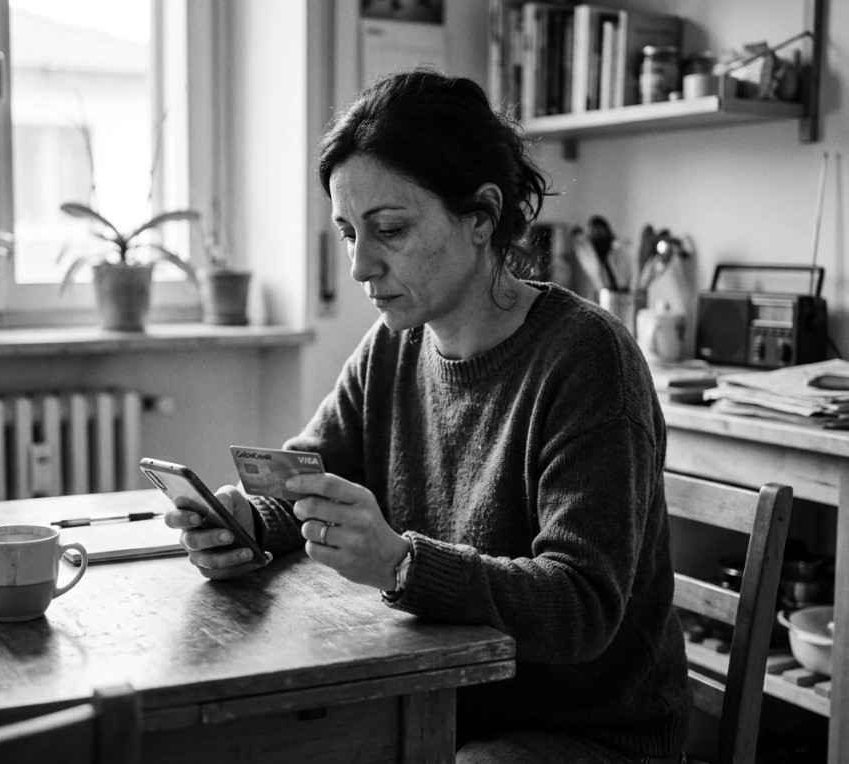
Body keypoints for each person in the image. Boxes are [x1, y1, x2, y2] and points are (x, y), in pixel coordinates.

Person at [165, 69, 690, 763]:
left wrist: (400, 563)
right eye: (348, 231)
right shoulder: (394, 344)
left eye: (390, 230)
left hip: (586, 731)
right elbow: (312, 478)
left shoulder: (588, 359)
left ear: (480, 216)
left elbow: (582, 605)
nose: (359, 265)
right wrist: (247, 521)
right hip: (438, 704)